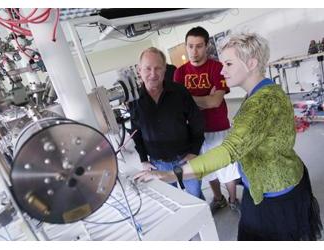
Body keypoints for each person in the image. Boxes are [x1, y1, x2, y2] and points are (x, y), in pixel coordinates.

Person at [134, 33, 323, 240]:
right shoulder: (262, 91)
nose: (222, 70)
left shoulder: (262, 102)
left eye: (229, 64)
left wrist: (173, 174)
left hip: (276, 192)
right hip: (263, 183)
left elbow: (229, 150)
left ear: (251, 63)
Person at [174, 26, 240, 213]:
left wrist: (190, 99)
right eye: (190, 46)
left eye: (199, 46)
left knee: (227, 168)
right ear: (186, 46)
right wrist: (205, 99)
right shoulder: (180, 73)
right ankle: (219, 199)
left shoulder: (217, 67)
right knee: (208, 171)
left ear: (207, 46)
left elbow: (215, 101)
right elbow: (180, 105)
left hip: (218, 128)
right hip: (195, 132)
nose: (194, 51)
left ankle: (234, 200)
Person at [129, 47, 204, 199]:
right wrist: (143, 159)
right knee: (172, 200)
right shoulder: (134, 101)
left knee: (195, 196)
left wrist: (194, 151)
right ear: (139, 70)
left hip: (185, 159)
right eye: (147, 68)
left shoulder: (180, 92)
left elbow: (197, 121)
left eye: (158, 68)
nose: (153, 74)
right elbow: (136, 133)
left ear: (164, 69)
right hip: (158, 164)